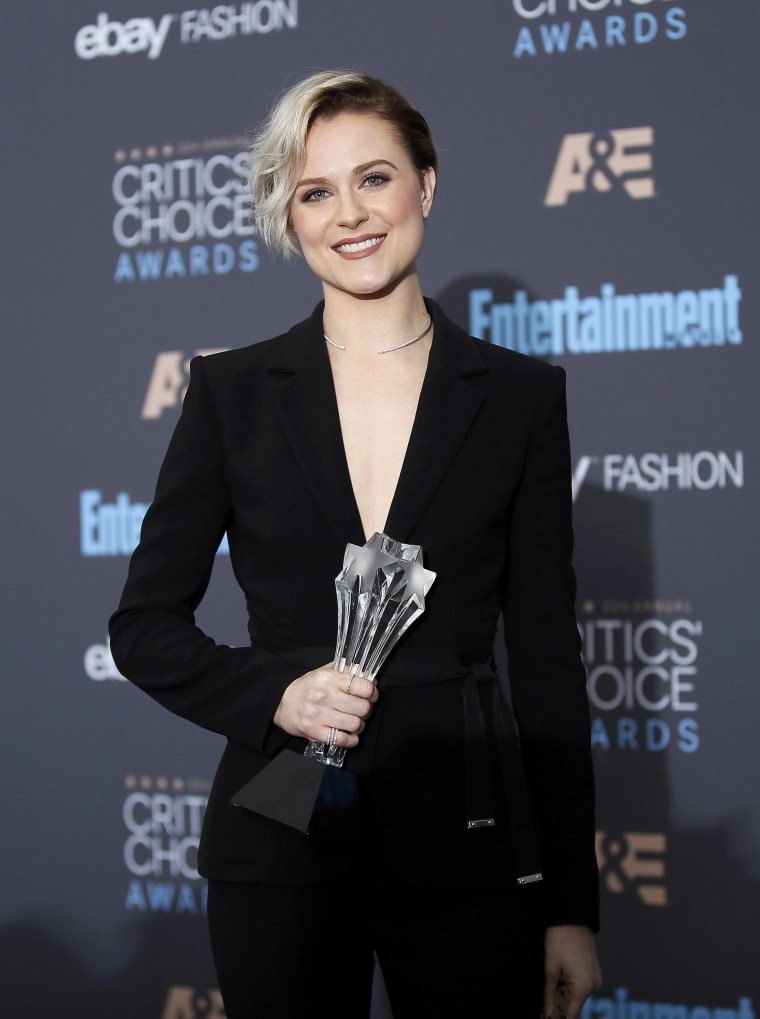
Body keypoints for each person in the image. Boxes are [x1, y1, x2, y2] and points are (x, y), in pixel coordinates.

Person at [110, 70, 601, 1018]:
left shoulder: (520, 398)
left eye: (374, 178)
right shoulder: (232, 393)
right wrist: (276, 693)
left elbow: (547, 665)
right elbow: (143, 627)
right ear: (288, 218)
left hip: (471, 841)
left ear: (426, 181)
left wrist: (569, 904)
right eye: (314, 191)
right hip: (278, 840)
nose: (350, 215)